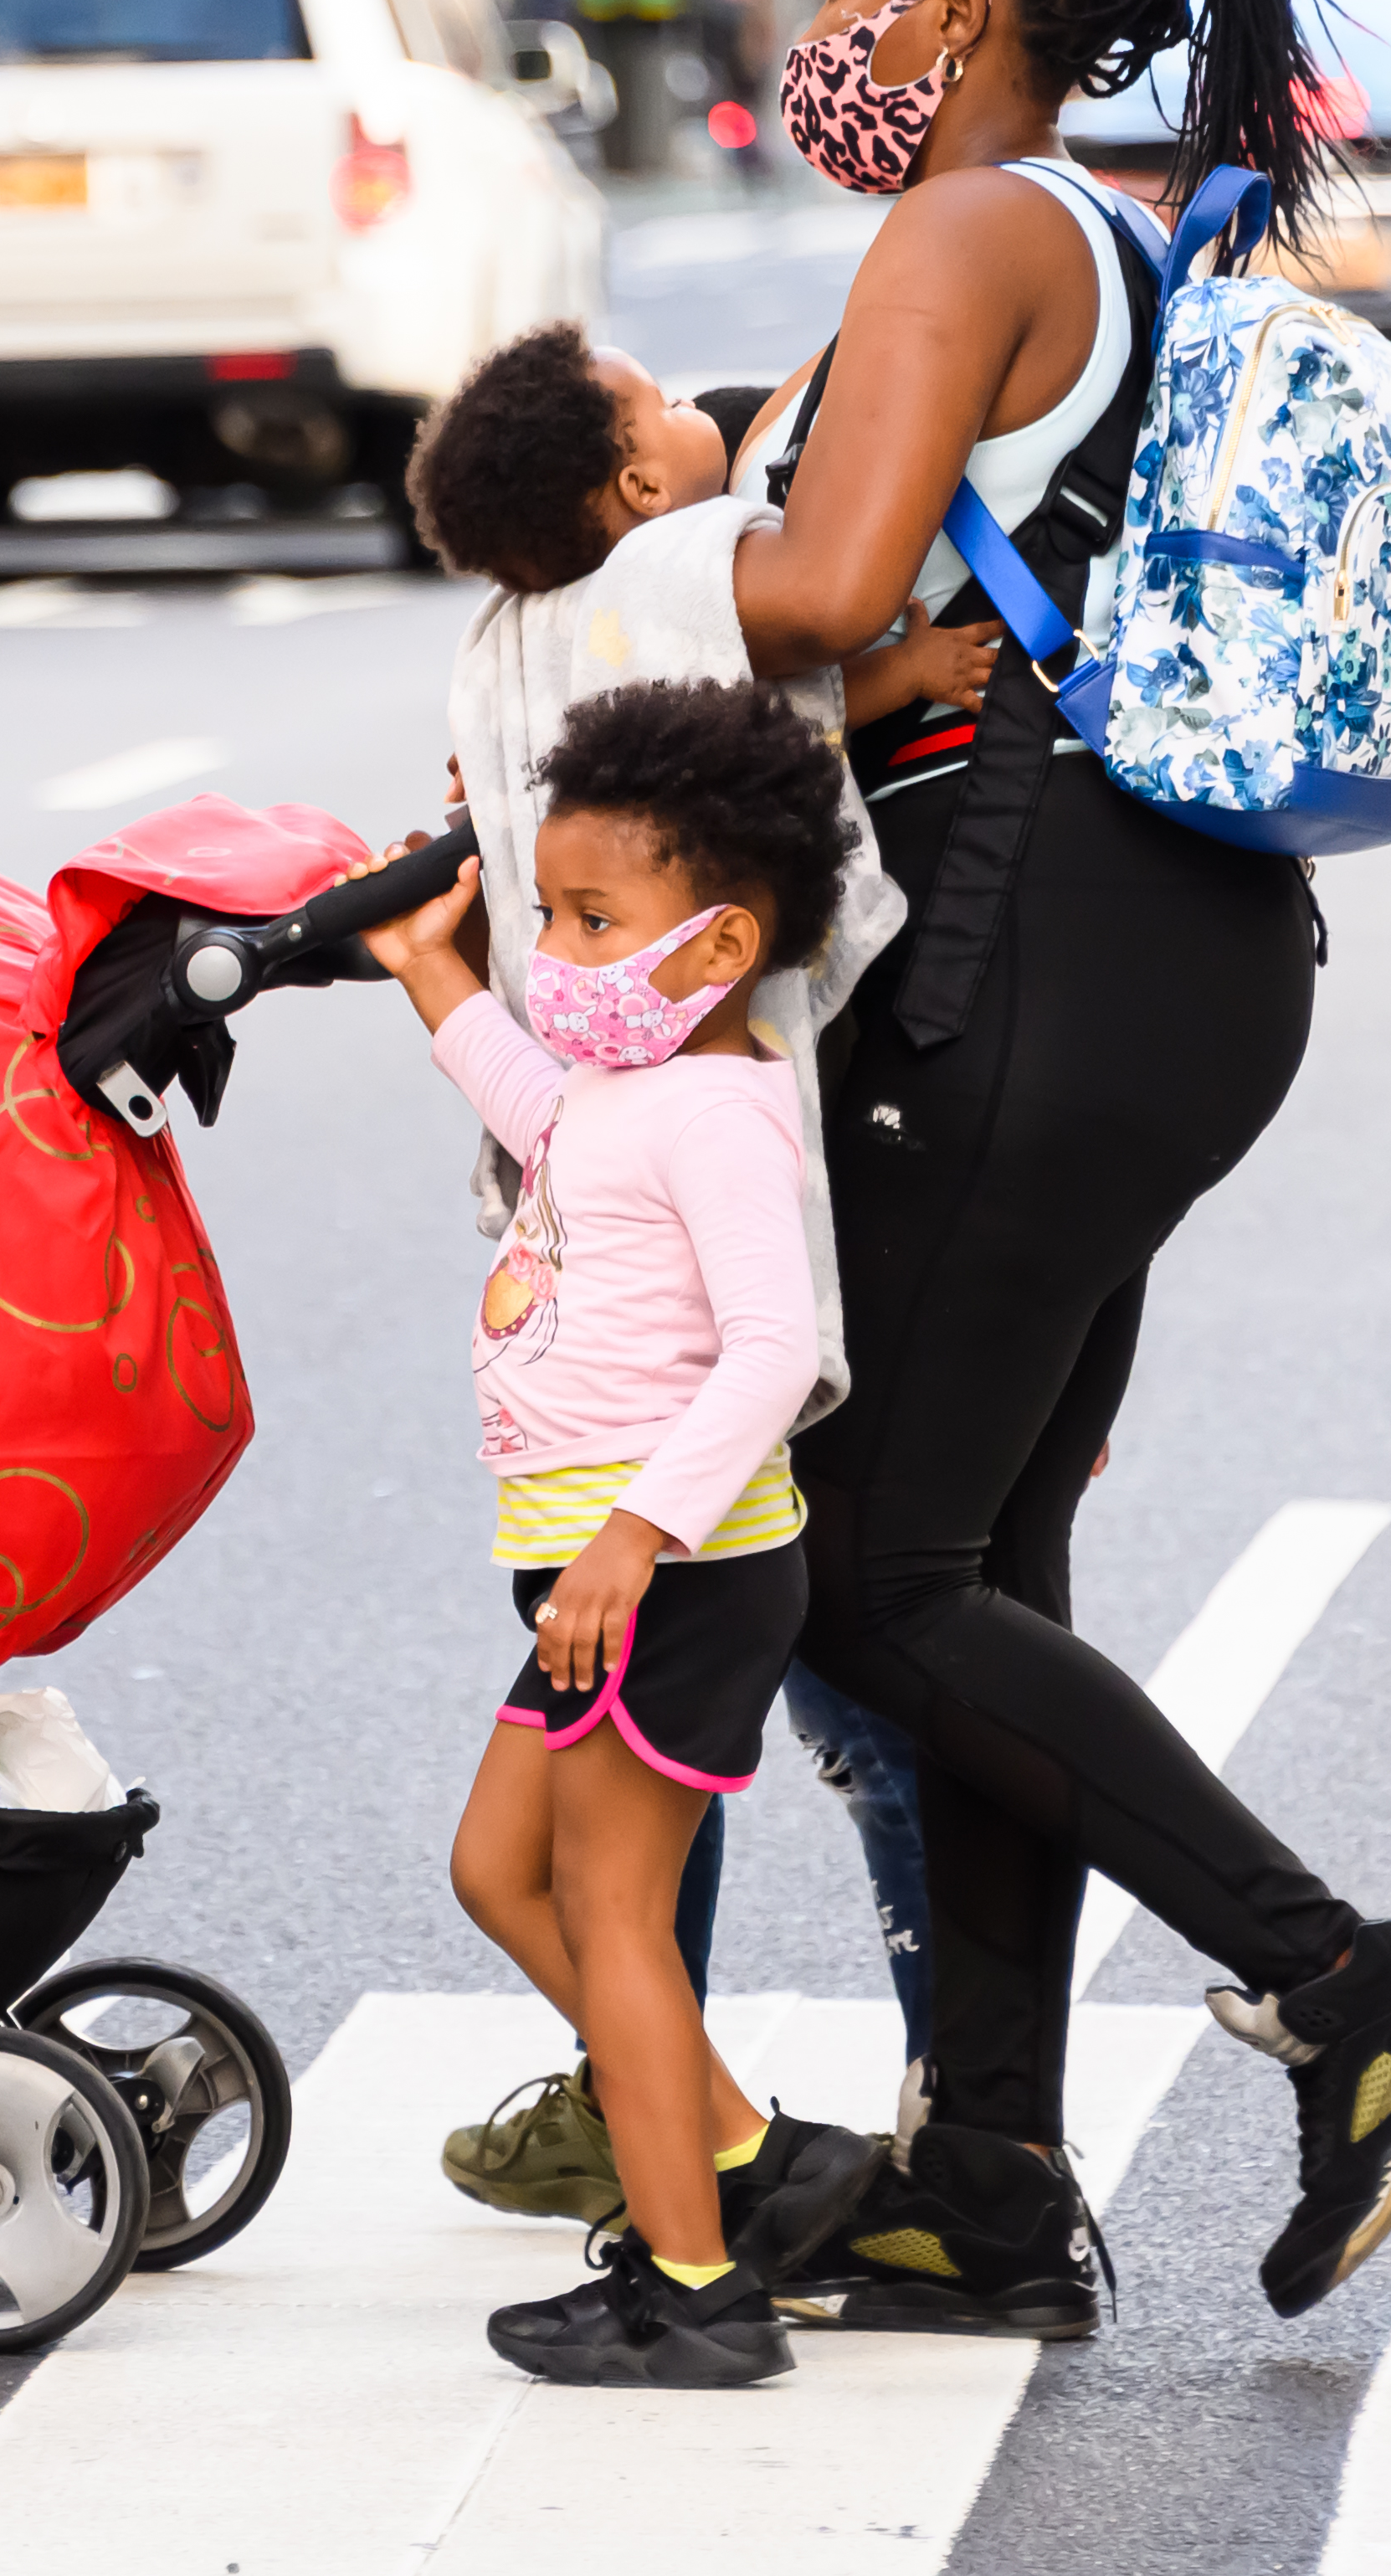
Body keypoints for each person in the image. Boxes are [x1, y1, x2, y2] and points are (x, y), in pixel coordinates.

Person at [696, 0, 1391, 2332]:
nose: (810, 15)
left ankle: (1360, 1984)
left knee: (865, 1574)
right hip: (1140, 955)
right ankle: (989, 2177)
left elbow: (828, 601)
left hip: (1026, 950)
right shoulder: (1083, 237)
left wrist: (630, 551)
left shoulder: (969, 228)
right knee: (977, 1573)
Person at [397, 326, 997, 2233]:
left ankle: (686, 2197)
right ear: (640, 488)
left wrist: (451, 969)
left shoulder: (505, 640)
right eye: (653, 390)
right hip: (636, 1462)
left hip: (638, 1461)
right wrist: (896, 663)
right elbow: (799, 597)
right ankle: (698, 2131)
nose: (689, 400)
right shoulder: (680, 556)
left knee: (602, 1856)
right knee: (589, 1845)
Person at [354, 679, 884, 2388]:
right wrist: (434, 965)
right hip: (604, 1566)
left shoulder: (724, 1104)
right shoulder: (615, 1085)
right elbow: (538, 1110)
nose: (559, 951)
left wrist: (634, 1538)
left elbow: (777, 1347)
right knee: (501, 1873)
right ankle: (739, 2148)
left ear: (717, 943)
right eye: (551, 914)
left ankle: (694, 2284)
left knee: (616, 1910)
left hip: (665, 1567)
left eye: (595, 920)